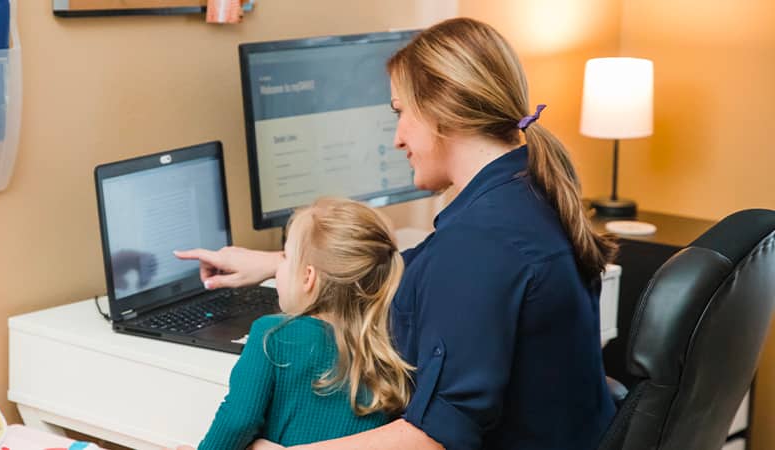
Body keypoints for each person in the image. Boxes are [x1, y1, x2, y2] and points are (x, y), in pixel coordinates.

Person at [179, 17, 617, 450]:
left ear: (441, 110)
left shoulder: (479, 243)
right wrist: (278, 264)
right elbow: (415, 272)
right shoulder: (521, 195)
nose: (397, 138)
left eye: (400, 112)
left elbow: (435, 436)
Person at [173, 198, 414, 450]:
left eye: (285, 257)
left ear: (308, 277)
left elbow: (238, 420)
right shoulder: (387, 350)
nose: (278, 267)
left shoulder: (272, 334)